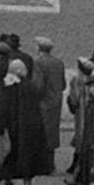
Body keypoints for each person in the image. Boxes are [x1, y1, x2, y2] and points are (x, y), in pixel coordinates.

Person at [0, 56, 47, 185]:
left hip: (10, 130)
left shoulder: (7, 86)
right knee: (26, 161)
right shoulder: (30, 86)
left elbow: (3, 109)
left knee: (5, 158)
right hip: (28, 131)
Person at [31, 37, 66, 175]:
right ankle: (50, 164)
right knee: (52, 133)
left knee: (41, 133)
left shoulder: (38, 62)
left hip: (43, 103)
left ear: (38, 48)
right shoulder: (59, 63)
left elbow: (38, 85)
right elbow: (63, 84)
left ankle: (42, 165)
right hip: (56, 102)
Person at [63, 58, 94, 185]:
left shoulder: (77, 80)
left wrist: (69, 100)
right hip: (91, 114)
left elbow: (75, 99)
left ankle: (79, 173)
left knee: (81, 139)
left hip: (81, 113)